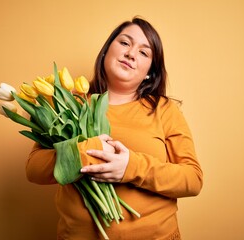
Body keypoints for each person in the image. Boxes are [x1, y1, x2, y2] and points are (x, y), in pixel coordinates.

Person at [26, 16, 203, 240]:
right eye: (125, 43)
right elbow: (34, 169)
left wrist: (130, 167)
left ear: (150, 71)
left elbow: (193, 179)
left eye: (144, 52)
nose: (131, 53)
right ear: (105, 51)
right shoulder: (70, 105)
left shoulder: (164, 110)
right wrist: (85, 151)